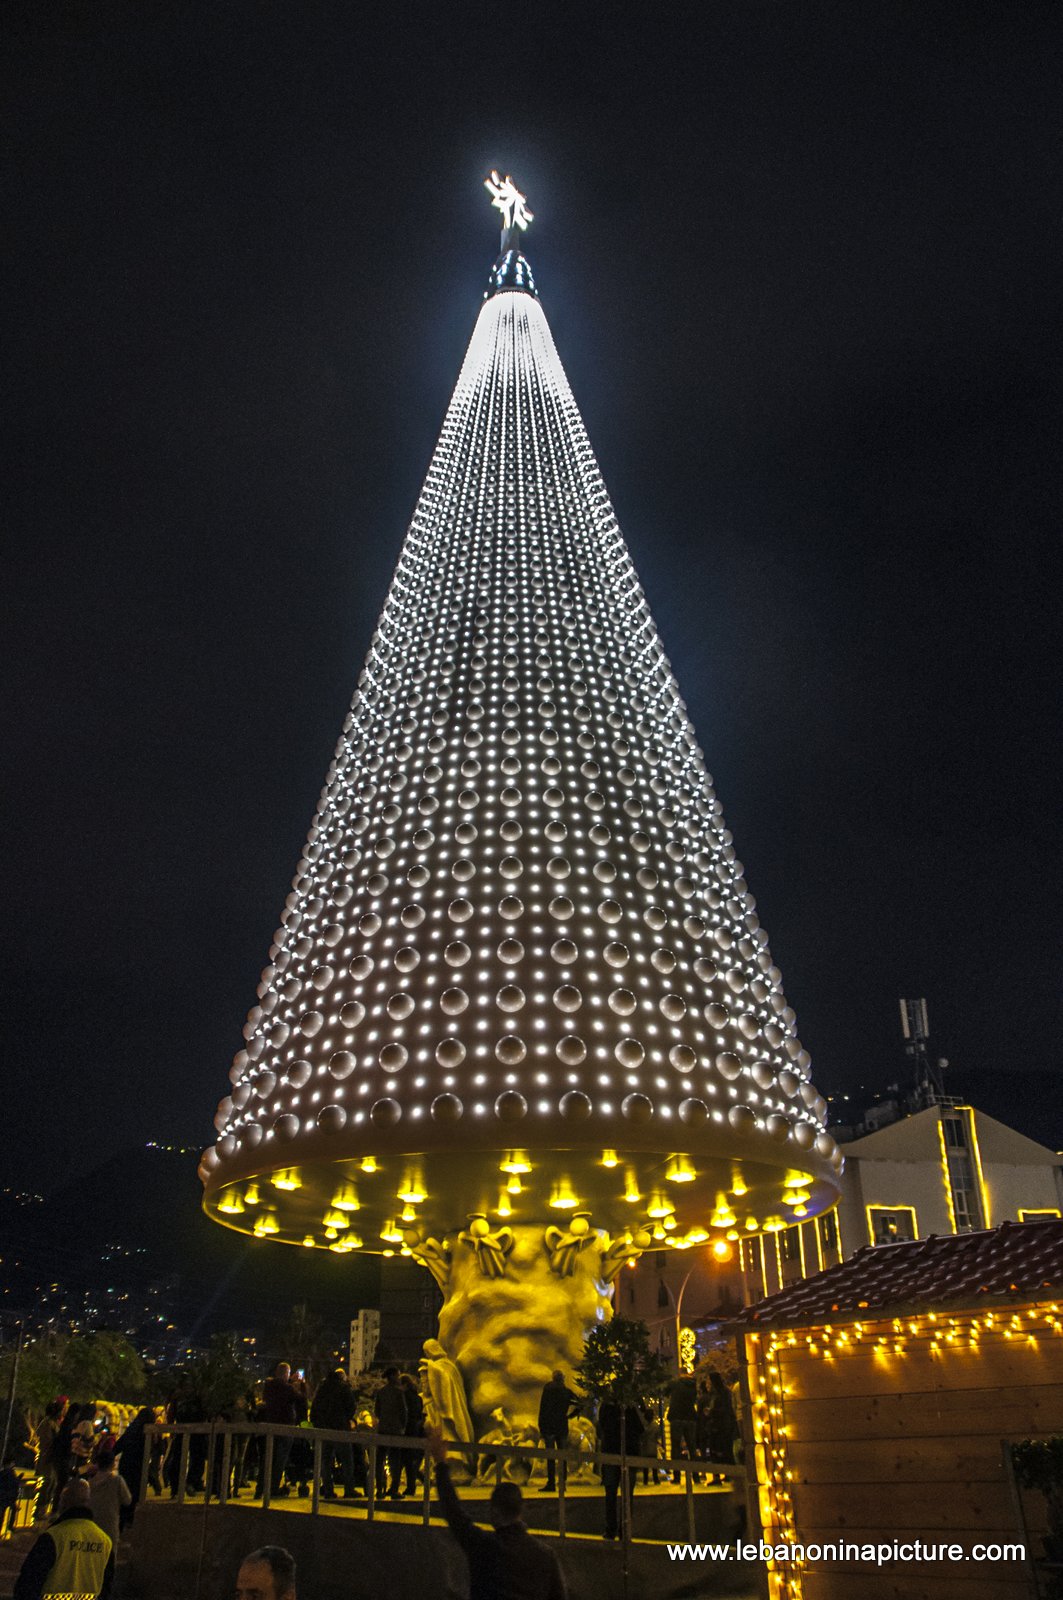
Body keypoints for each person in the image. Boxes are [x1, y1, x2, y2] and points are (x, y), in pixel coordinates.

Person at [426, 1428, 567, 1600]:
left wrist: (440, 1462)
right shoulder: (545, 1555)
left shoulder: (484, 1547)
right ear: (521, 1510)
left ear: (493, 1511)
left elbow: (454, 1512)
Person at [13, 1479, 114, 1600]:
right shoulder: (105, 1541)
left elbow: (27, 1585)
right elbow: (106, 1588)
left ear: (64, 1501)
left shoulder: (54, 1537)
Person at [309, 1368, 363, 1500]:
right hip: (340, 1428)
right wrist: (346, 1419)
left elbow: (315, 1407)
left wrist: (318, 1423)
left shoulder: (322, 1388)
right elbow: (351, 1406)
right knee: (346, 1459)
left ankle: (328, 1489)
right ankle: (349, 1489)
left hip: (324, 1428)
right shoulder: (343, 1388)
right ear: (342, 1377)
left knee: (326, 1460)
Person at [597, 1400, 641, 1541]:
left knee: (611, 1493)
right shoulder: (631, 1405)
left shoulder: (607, 1405)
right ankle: (624, 1529)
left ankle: (611, 1529)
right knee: (627, 1495)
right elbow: (640, 1427)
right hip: (629, 1453)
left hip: (611, 1451)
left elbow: (601, 1426)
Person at [256, 1362, 300, 1499]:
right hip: (284, 1426)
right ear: (286, 1374)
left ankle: (260, 1488)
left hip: (270, 1425)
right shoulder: (288, 1389)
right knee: (279, 1460)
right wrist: (295, 1384)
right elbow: (299, 1399)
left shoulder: (269, 1387)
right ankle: (273, 1488)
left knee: (267, 1458)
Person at [537, 1372, 579, 1493]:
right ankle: (562, 1482)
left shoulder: (548, 1389)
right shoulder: (566, 1392)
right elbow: (580, 1403)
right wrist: (570, 1416)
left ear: (553, 1378)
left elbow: (543, 1408)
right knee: (562, 1456)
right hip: (562, 1426)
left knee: (551, 1456)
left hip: (549, 1427)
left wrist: (541, 1426)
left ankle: (551, 1483)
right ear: (563, 1379)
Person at [372, 1368, 407, 1496]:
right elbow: (404, 1412)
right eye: (397, 1375)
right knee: (395, 1461)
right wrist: (402, 1426)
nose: (399, 1377)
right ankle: (394, 1489)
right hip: (395, 1430)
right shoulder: (399, 1392)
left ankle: (380, 1488)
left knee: (379, 1460)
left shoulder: (381, 1392)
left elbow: (377, 1411)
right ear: (392, 1376)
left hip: (383, 1429)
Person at [87, 1452, 131, 1548]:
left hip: (92, 1524)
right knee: (110, 1554)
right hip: (110, 1523)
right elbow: (127, 1500)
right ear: (112, 1464)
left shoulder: (89, 1483)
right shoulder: (117, 1480)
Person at [32, 1400, 65, 1521]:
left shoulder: (51, 1423)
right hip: (47, 1458)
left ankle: (43, 1509)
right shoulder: (47, 1424)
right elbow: (47, 1441)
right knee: (46, 1483)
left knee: (51, 1483)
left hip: (50, 1458)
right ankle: (39, 1510)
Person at [667, 1374, 699, 1481]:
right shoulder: (693, 1386)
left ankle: (677, 1476)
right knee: (692, 1447)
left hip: (676, 1417)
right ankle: (696, 1475)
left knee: (675, 1447)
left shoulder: (674, 1384)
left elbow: (666, 1392)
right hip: (690, 1417)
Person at [399, 1372, 426, 1497]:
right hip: (417, 1431)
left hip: (407, 1431)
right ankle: (420, 1479)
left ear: (404, 1384)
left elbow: (404, 1414)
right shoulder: (417, 1397)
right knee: (410, 1460)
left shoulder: (404, 1397)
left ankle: (411, 1486)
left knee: (407, 1460)